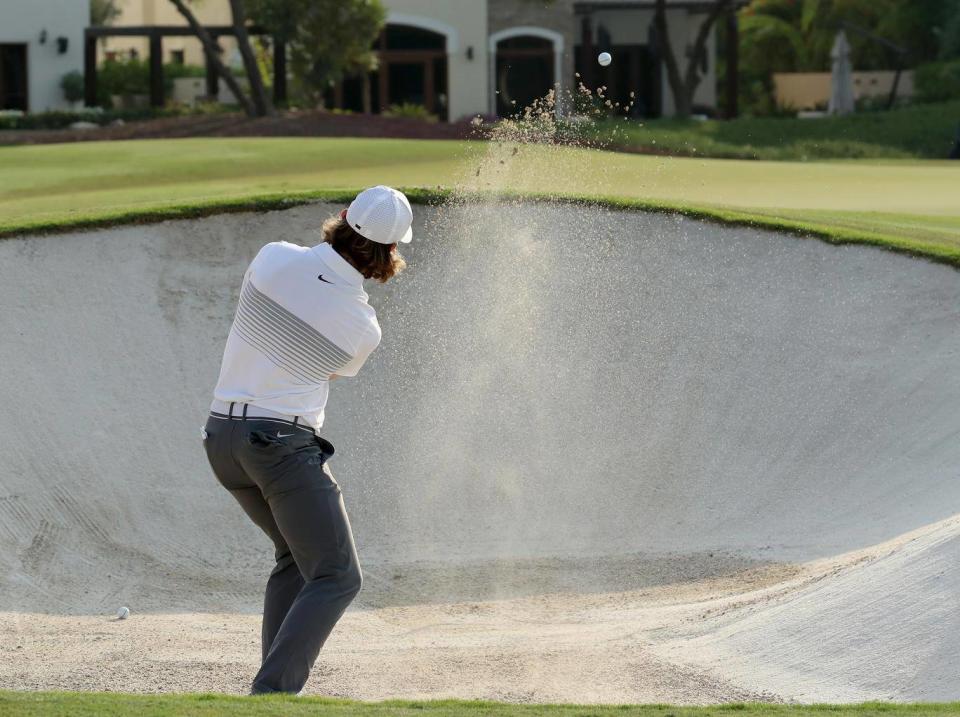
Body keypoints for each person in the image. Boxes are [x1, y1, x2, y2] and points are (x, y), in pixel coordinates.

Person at [201, 185, 412, 695]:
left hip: (221, 439)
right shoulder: (362, 325)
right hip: (280, 447)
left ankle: (269, 695)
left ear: (342, 218)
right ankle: (273, 692)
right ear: (390, 252)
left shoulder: (272, 258)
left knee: (297, 560)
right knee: (338, 575)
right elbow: (328, 372)